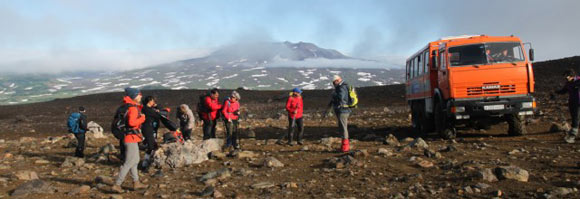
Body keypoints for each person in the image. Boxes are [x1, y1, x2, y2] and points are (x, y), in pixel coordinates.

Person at [112, 87, 147, 193]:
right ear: (134, 96)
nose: (141, 96)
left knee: (135, 160)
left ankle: (136, 182)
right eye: (139, 94)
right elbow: (132, 123)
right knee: (129, 162)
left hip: (130, 137)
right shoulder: (132, 108)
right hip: (130, 138)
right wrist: (142, 118)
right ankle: (117, 184)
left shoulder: (128, 107)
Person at [140, 96, 178, 170]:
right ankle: (146, 164)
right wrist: (163, 111)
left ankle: (147, 162)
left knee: (152, 145)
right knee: (151, 146)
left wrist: (158, 108)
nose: (154, 102)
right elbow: (157, 115)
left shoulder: (148, 109)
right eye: (153, 101)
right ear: (149, 101)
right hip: (148, 129)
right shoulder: (146, 109)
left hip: (151, 129)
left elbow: (157, 113)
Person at [327, 75, 352, 152]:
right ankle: (344, 146)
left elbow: (341, 97)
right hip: (344, 110)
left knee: (343, 128)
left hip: (343, 110)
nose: (334, 84)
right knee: (342, 127)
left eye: (334, 82)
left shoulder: (342, 87)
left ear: (337, 80)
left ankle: (345, 147)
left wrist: (334, 95)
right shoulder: (343, 86)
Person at [556, 69, 580, 143]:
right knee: (574, 118)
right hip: (572, 103)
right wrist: (556, 92)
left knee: (576, 118)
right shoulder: (568, 84)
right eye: (565, 77)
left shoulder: (578, 81)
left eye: (567, 77)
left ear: (572, 76)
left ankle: (572, 136)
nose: (566, 78)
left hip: (578, 103)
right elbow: (563, 91)